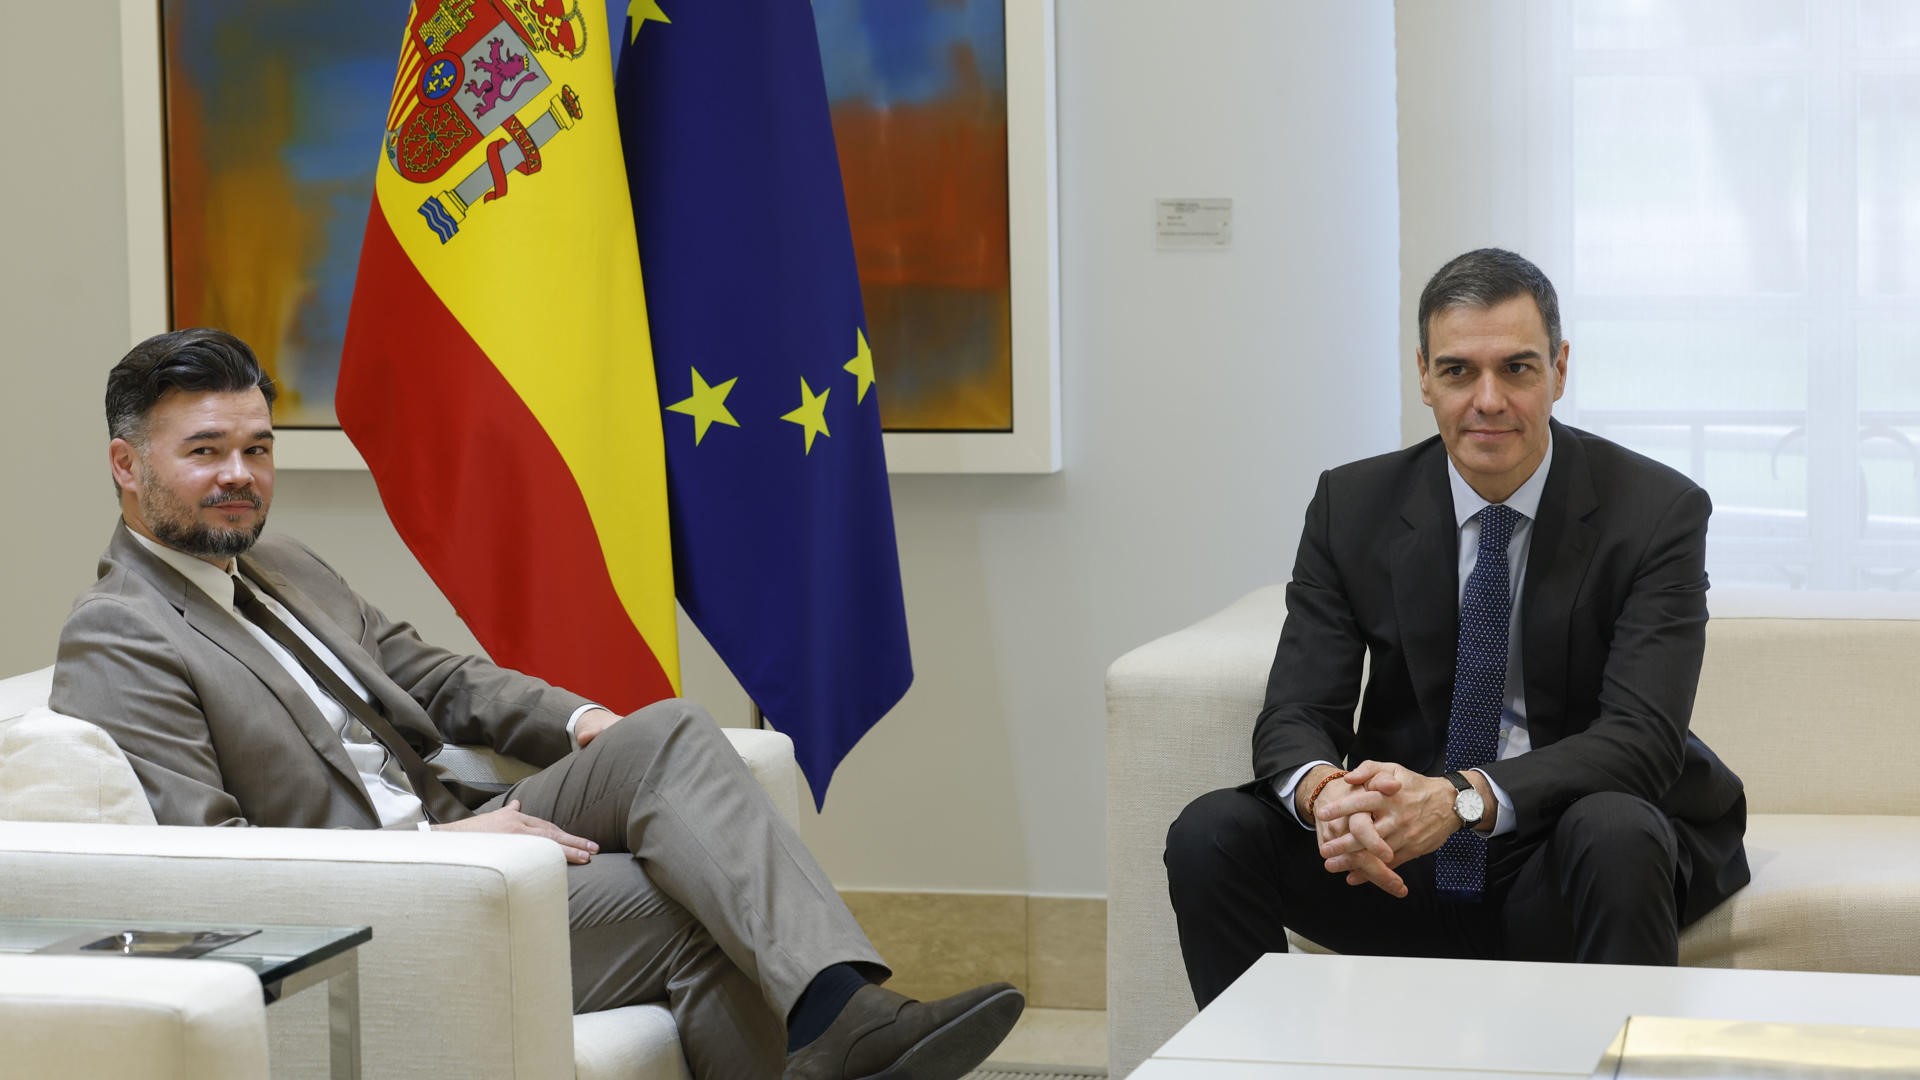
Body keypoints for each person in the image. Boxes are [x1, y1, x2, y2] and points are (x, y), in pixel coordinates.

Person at [51, 328, 1023, 1080]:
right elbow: (210, 863)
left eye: (257, 447)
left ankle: (841, 1015)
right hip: (390, 901)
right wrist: (441, 850)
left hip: (465, 831)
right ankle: (844, 1027)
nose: (239, 476)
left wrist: (584, 723)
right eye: (206, 450)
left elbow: (436, 679)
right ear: (127, 466)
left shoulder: (284, 564)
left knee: (668, 731)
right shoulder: (121, 632)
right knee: (693, 903)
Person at [1164, 248, 1750, 1006]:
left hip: (1565, 847)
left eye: (1517, 368)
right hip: (1401, 861)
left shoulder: (1655, 511)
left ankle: (1622, 1056)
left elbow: (1641, 740)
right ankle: (1254, 1058)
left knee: (1617, 831)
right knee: (1211, 833)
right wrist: (1327, 795)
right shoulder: (1352, 506)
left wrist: (1460, 801)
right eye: (1458, 371)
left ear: (1559, 370)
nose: (1488, 400)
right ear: (1424, 377)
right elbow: (1297, 712)